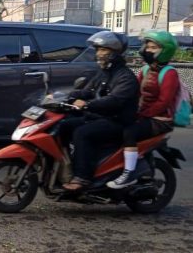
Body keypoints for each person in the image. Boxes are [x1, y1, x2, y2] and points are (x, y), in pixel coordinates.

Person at [61, 31, 139, 191]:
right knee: (63, 125)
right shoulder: (104, 73)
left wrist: (88, 104)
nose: (99, 54)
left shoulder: (125, 77)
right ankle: (66, 166)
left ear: (115, 53)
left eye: (103, 50)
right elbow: (87, 90)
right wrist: (64, 96)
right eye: (98, 50)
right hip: (100, 117)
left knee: (82, 133)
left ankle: (83, 177)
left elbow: (114, 101)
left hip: (117, 121)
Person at [107, 30, 179, 189]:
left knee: (130, 132)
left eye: (153, 47)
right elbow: (134, 90)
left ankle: (129, 173)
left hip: (160, 120)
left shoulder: (170, 73)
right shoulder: (145, 70)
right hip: (142, 115)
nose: (148, 50)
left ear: (165, 51)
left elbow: (164, 102)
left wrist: (142, 114)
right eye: (148, 46)